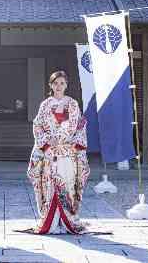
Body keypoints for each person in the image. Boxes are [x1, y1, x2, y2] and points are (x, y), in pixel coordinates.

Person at [27, 70, 90, 234]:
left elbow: (80, 126)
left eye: (62, 83)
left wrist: (70, 144)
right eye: (55, 83)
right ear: (51, 85)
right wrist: (47, 143)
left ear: (66, 85)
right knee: (49, 185)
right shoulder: (45, 105)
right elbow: (37, 125)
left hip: (67, 152)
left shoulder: (73, 104)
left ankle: (68, 220)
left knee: (68, 185)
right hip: (49, 152)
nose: (59, 86)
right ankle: (52, 221)